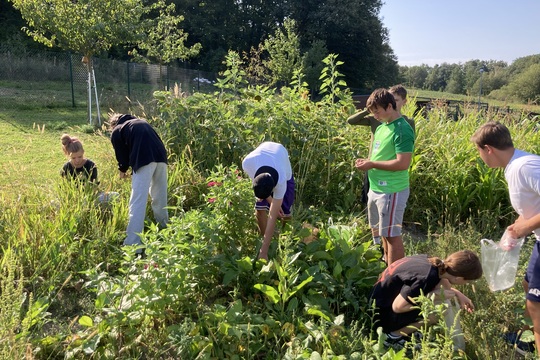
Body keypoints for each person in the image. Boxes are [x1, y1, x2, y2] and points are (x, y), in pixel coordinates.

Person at [471, 121, 540, 354]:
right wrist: (516, 227)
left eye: (479, 152)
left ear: (488, 148)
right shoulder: (514, 166)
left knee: (536, 305)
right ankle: (528, 338)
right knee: (528, 284)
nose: (481, 157)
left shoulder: (524, 166)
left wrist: (524, 229)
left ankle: (534, 346)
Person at [370, 250, 482, 350]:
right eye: (467, 282)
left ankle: (404, 329)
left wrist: (458, 294)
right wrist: (431, 297)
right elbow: (398, 307)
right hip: (380, 315)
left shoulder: (434, 264)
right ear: (459, 278)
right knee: (440, 311)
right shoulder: (425, 278)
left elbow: (441, 284)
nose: (466, 284)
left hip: (381, 299)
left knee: (443, 287)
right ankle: (393, 336)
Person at [354, 88, 415, 265]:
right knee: (385, 234)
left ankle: (395, 276)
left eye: (377, 111)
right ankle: (387, 267)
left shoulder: (402, 129)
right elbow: (381, 155)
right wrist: (368, 161)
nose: (374, 116)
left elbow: (403, 163)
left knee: (392, 236)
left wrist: (372, 164)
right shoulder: (382, 128)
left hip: (391, 190)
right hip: (377, 188)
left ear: (390, 106)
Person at [109, 113, 169, 254]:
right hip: (161, 157)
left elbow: (121, 154)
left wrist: (122, 169)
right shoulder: (141, 122)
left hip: (143, 159)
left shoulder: (118, 129)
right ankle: (165, 232)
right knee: (160, 197)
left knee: (137, 201)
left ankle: (133, 245)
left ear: (113, 124)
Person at [242, 141, 295, 261]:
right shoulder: (247, 163)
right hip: (263, 154)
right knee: (260, 209)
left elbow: (272, 216)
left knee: (284, 214)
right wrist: (271, 201)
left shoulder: (281, 181)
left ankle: (284, 241)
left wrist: (263, 251)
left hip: (280, 154)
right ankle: (265, 239)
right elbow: (260, 188)